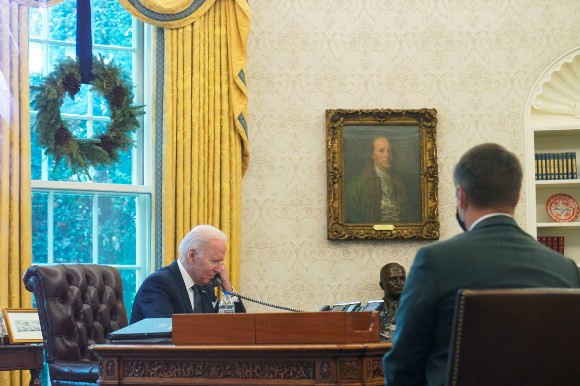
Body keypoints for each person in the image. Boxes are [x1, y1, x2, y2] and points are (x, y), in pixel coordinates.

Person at [382, 143, 580, 386]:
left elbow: (402, 366)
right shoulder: (566, 269)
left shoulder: (434, 262)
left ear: (461, 196)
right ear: (517, 197)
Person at [130, 224, 246, 324]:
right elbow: (166, 334)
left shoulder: (205, 287)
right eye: (214, 261)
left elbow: (238, 327)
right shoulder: (158, 284)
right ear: (192, 255)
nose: (219, 268)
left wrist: (227, 288)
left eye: (221, 261)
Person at [345, 136, 417, 223]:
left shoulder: (405, 182)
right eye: (381, 151)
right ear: (372, 155)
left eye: (389, 151)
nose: (387, 155)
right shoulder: (356, 185)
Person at [378, 263, 406, 339]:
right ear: (382, 285)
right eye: (393, 279)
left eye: (402, 278)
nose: (399, 283)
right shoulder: (374, 312)